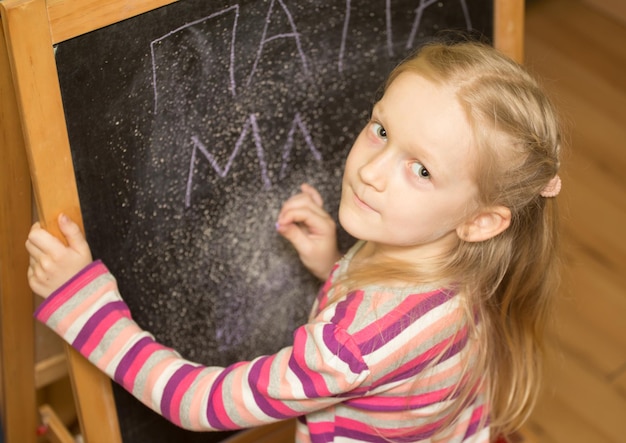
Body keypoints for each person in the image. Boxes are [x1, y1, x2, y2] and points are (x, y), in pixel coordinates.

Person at [26, 41, 562, 443]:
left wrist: (85, 304)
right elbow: (398, 325)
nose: (371, 171)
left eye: (420, 169)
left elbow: (197, 403)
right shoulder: (463, 261)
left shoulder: (349, 349)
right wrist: (335, 265)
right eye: (380, 130)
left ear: (481, 220)